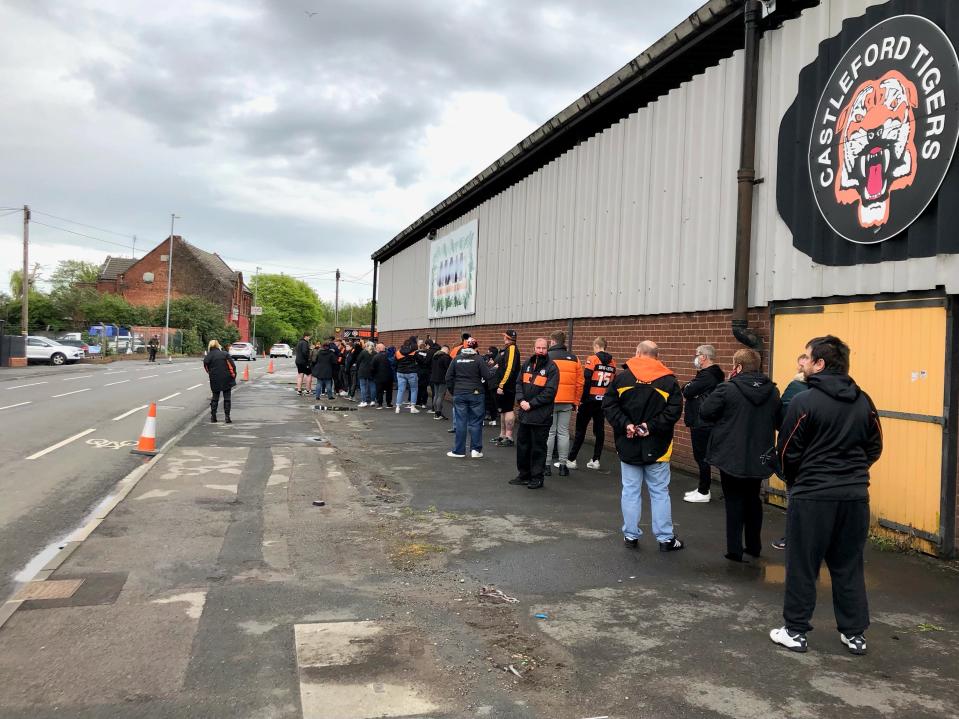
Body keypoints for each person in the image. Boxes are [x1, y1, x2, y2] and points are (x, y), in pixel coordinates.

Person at [770, 335, 882, 656]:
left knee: (803, 564)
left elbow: (787, 450)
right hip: (854, 498)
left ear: (820, 364)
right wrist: (853, 473)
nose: (802, 364)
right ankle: (854, 634)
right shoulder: (864, 401)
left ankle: (795, 631)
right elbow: (874, 446)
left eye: (806, 358)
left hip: (813, 497)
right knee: (848, 564)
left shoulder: (805, 402)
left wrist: (799, 478)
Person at [699, 348, 781, 562]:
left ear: (738, 367)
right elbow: (779, 419)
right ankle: (754, 546)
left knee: (734, 500)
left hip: (730, 454)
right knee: (753, 499)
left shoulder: (727, 388)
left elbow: (706, 412)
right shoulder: (772, 391)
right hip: (760, 454)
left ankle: (734, 549)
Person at [603, 341, 684, 552]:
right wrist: (650, 426)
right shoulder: (668, 381)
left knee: (630, 492)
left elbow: (609, 406)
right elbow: (673, 412)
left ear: (638, 353)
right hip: (658, 445)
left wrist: (626, 425)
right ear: (656, 356)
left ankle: (630, 536)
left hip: (628, 444)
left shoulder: (622, 378)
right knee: (659, 492)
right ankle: (665, 539)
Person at [771, 353, 812, 550]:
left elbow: (783, 422)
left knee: (795, 497)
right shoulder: (845, 393)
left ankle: (793, 537)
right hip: (820, 459)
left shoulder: (795, 388)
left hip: (798, 456)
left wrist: (785, 459)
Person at [509, 337, 559, 489]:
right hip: (525, 415)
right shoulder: (527, 364)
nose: (541, 351)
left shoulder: (552, 368)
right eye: (538, 348)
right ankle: (524, 475)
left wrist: (531, 404)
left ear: (547, 348)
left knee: (538, 448)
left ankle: (537, 477)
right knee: (523, 446)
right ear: (534, 348)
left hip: (541, 416)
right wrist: (521, 400)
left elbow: (550, 392)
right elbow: (518, 384)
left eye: (543, 348)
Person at [681, 344, 725, 503]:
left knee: (701, 457)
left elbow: (687, 390)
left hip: (702, 422)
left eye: (697, 354)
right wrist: (689, 387)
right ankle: (702, 488)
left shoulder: (707, 375)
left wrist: (689, 388)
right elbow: (687, 387)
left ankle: (704, 491)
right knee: (704, 456)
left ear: (704, 357)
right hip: (706, 421)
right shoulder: (712, 374)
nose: (696, 358)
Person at [568, 337, 616, 470]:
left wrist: (581, 399)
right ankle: (596, 460)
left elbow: (586, 379)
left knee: (580, 430)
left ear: (596, 346)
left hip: (589, 400)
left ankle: (571, 459)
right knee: (599, 430)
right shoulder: (613, 363)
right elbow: (612, 383)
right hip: (602, 401)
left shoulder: (592, 359)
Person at [445, 338, 493, 458]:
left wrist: (454, 391)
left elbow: (448, 377)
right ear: (476, 348)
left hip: (459, 393)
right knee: (476, 421)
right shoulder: (479, 359)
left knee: (460, 422)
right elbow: (487, 375)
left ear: (463, 347)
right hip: (476, 393)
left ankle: (459, 451)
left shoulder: (456, 359)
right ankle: (476, 450)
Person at [545, 330, 584, 477]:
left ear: (553, 341)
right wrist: (576, 401)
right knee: (563, 433)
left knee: (550, 432)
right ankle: (563, 466)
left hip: (550, 401)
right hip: (567, 402)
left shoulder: (547, 357)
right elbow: (580, 383)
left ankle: (547, 465)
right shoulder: (575, 359)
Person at [491, 329, 520, 448]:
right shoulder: (506, 349)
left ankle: (509, 437)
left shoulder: (512, 349)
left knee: (508, 409)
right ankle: (502, 435)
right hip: (502, 385)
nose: (503, 338)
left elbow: (510, 369)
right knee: (503, 410)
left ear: (507, 338)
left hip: (507, 386)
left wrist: (502, 384)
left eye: (505, 336)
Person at [203, 339, 237, 423]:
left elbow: (207, 369)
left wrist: (212, 375)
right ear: (218, 345)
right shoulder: (225, 354)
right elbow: (232, 366)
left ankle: (213, 417)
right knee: (227, 398)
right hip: (227, 378)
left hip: (214, 379)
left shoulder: (208, 356)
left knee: (215, 398)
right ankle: (227, 417)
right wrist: (233, 376)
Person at [394, 336, 420, 413]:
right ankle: (412, 408)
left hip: (400, 372)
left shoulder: (398, 352)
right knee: (414, 389)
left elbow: (395, 363)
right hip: (411, 372)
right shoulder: (414, 352)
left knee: (400, 390)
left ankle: (397, 407)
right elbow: (419, 361)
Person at [430, 345, 452, 419]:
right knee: (440, 395)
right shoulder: (446, 357)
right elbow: (449, 368)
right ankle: (438, 413)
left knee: (436, 395)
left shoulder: (434, 356)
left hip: (434, 378)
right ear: (446, 350)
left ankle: (435, 411)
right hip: (442, 379)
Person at [371, 343, 394, 409]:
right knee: (389, 390)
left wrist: (373, 375)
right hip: (389, 376)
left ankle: (380, 404)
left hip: (379, 377)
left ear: (378, 349)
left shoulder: (376, 357)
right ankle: (388, 403)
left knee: (379, 391)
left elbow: (372, 367)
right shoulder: (389, 355)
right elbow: (394, 364)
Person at [483, 346, 500, 425]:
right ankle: (491, 419)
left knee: (490, 401)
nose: (488, 353)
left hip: (491, 384)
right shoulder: (488, 359)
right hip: (489, 384)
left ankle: (491, 419)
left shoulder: (497, 360)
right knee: (490, 401)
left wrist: (490, 366)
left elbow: (487, 372)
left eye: (489, 352)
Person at [356, 341, 375, 407]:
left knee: (363, 386)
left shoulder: (363, 352)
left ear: (366, 345)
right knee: (372, 386)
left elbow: (358, 360)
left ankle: (364, 401)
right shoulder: (375, 353)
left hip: (363, 371)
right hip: (372, 371)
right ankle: (372, 401)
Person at [415, 339, 433, 408]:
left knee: (419, 387)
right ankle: (424, 403)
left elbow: (416, 361)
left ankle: (418, 401)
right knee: (424, 388)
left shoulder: (417, 353)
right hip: (427, 372)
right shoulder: (428, 353)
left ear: (419, 347)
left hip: (419, 371)